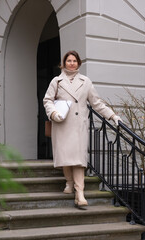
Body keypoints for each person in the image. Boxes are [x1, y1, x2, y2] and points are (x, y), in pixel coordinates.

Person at [43, 50, 122, 207]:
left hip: (79, 125)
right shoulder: (56, 81)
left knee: (78, 160)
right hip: (62, 123)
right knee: (66, 157)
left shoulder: (86, 81)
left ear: (78, 63)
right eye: (68, 60)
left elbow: (97, 103)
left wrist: (113, 116)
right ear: (63, 63)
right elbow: (47, 100)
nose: (71, 63)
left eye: (74, 61)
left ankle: (80, 193)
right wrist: (53, 113)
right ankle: (69, 183)